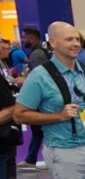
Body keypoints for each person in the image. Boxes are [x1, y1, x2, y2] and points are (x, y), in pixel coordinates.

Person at [13, 21, 85, 179]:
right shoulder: (39, 76)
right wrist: (59, 115)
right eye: (69, 39)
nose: (76, 43)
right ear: (53, 42)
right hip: (65, 151)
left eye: (77, 39)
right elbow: (19, 115)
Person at [0, 40, 29, 179]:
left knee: (9, 155)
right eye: (5, 48)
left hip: (6, 128)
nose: (8, 50)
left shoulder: (5, 64)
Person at [20, 27, 48, 169]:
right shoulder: (39, 52)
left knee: (39, 129)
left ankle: (34, 159)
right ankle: (31, 159)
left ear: (32, 37)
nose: (23, 40)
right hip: (42, 99)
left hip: (40, 99)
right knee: (38, 130)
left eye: (25, 37)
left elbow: (39, 78)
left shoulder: (36, 54)